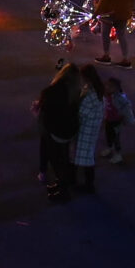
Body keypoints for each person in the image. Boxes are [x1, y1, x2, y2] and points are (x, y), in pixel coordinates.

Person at [36, 62, 81, 201]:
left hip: (55, 131)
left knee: (57, 161)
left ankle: (63, 191)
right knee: (64, 158)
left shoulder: (51, 91)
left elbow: (44, 111)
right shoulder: (75, 92)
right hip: (69, 131)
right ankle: (61, 184)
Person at [70, 66, 108, 195]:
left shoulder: (91, 94)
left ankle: (86, 184)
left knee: (83, 156)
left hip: (86, 128)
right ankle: (83, 182)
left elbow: (81, 112)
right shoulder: (97, 90)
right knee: (85, 155)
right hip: (93, 127)